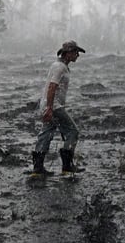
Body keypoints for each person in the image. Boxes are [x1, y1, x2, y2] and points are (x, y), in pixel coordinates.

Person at [31, 40, 86, 175]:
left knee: (46, 133)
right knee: (73, 132)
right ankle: (67, 166)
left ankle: (38, 168)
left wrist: (47, 107)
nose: (77, 55)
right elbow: (52, 87)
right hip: (54, 106)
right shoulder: (59, 67)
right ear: (68, 53)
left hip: (49, 104)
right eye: (75, 52)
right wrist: (50, 108)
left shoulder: (59, 66)